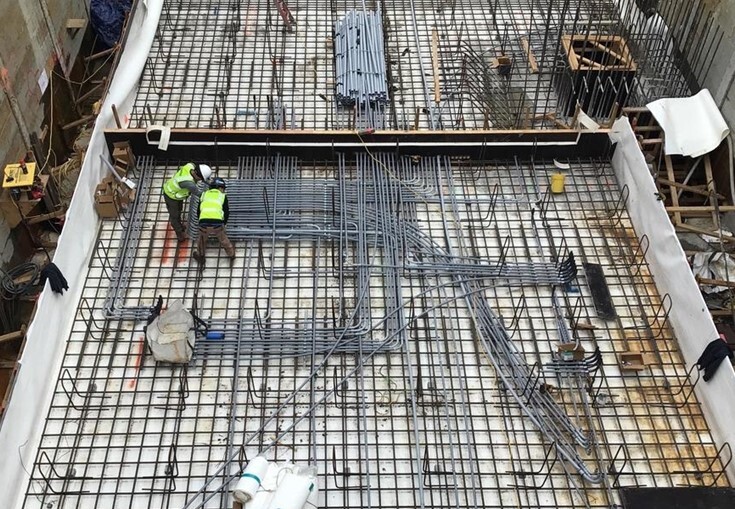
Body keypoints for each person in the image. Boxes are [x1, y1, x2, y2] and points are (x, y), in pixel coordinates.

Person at [162, 162, 212, 242]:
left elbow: (195, 170)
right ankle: (179, 233)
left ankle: (180, 225)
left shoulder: (190, 166)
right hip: (171, 195)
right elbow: (199, 194)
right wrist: (212, 197)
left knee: (179, 210)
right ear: (196, 174)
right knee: (175, 215)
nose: (200, 180)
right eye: (200, 178)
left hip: (177, 195)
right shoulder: (189, 184)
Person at [193, 177, 235, 265]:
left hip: (203, 222)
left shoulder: (204, 194)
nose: (223, 190)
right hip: (217, 223)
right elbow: (226, 211)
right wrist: (224, 223)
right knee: (223, 239)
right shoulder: (222, 196)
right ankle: (231, 254)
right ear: (219, 187)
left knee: (201, 240)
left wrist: (200, 221)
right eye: (223, 188)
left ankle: (200, 256)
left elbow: (198, 210)